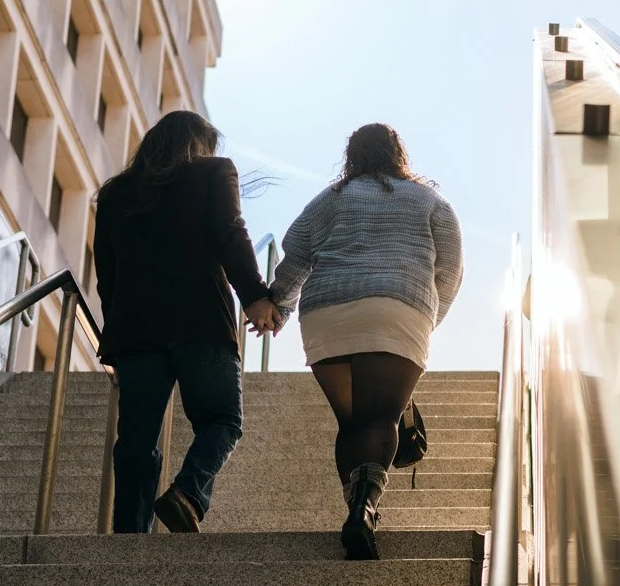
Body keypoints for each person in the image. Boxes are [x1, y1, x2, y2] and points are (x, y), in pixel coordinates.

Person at [268, 124, 463, 560]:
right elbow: (449, 271)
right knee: (380, 420)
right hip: (397, 307)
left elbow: (295, 253)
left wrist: (278, 306)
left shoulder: (328, 200)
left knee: (351, 424)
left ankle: (357, 506)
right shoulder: (430, 201)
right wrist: (424, 324)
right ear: (399, 154)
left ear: (351, 156)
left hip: (326, 314)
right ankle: (365, 508)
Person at [93, 111, 282, 533]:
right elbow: (231, 234)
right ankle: (187, 493)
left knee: (137, 440)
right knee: (221, 421)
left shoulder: (114, 194)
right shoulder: (214, 172)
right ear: (199, 143)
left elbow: (107, 273)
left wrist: (118, 335)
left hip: (135, 332)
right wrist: (254, 297)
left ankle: (129, 535)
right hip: (200, 322)